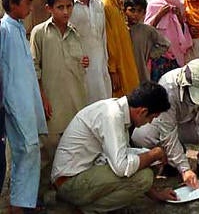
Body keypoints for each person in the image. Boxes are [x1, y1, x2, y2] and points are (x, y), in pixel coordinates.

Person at [51, 81, 177, 213]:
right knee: (144, 176)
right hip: (69, 183)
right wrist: (154, 154)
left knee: (148, 164)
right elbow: (122, 167)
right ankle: (87, 210)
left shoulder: (118, 111)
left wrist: (156, 194)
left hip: (82, 176)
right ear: (142, 111)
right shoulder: (112, 115)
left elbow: (122, 157)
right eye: (151, 117)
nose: (150, 122)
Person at [30, 0, 89, 197]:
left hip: (75, 102)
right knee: (47, 152)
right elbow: (34, 68)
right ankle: (40, 195)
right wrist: (42, 98)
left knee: (72, 152)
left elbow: (79, 63)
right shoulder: (39, 33)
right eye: (60, 7)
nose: (65, 12)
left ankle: (67, 193)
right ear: (49, 8)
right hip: (52, 103)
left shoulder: (75, 33)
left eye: (69, 6)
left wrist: (83, 62)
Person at [132, 59, 199, 188]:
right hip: (169, 126)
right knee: (140, 136)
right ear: (185, 85)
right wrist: (185, 169)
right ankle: (170, 160)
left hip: (193, 125)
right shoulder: (167, 87)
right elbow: (167, 132)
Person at [0, 0, 47, 213]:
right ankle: (18, 204)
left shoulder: (18, 27)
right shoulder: (4, 30)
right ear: (11, 3)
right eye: (27, 3)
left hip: (26, 100)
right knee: (24, 150)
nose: (30, 8)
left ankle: (25, 201)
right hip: (14, 102)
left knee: (30, 150)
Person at [67, 0, 112, 103]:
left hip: (101, 65)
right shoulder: (68, 7)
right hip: (81, 68)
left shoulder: (98, 4)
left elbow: (103, 36)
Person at [145, 0, 192, 82]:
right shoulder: (154, 5)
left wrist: (179, 17)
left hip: (176, 54)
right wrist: (159, 15)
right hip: (161, 54)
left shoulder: (178, 5)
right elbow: (147, 30)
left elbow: (183, 28)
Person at [101, 0, 139, 97]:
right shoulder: (106, 5)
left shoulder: (118, 2)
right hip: (118, 66)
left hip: (126, 59)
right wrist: (113, 71)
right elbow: (109, 41)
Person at [124, 0, 170, 82]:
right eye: (132, 10)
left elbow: (165, 44)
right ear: (124, 10)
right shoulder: (121, 29)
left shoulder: (147, 30)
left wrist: (151, 54)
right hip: (124, 71)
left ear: (144, 13)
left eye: (139, 11)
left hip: (141, 71)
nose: (135, 14)